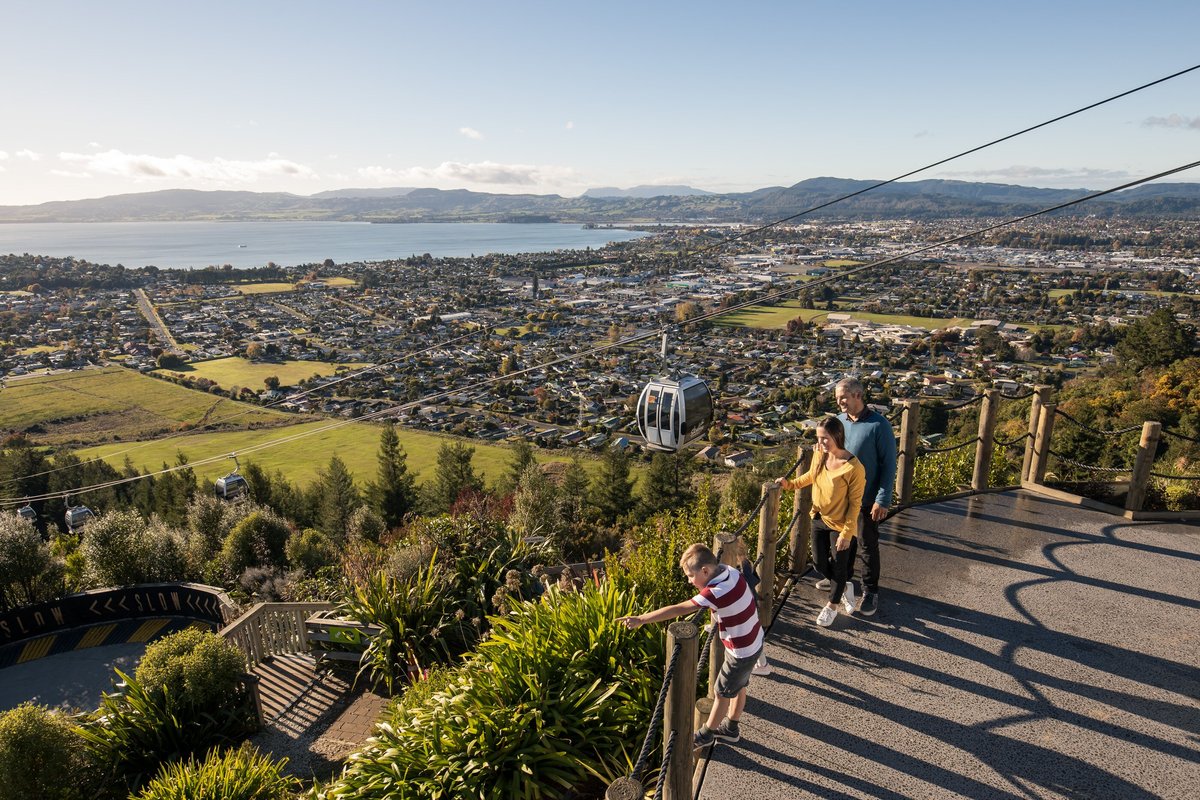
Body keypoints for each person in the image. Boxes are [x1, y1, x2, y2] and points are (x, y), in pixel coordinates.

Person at [618, 543, 763, 747]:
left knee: (721, 692)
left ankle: (706, 734)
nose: (689, 581)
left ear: (705, 570)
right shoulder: (729, 571)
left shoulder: (714, 592)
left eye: (690, 576)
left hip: (740, 650)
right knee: (739, 687)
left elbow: (678, 609)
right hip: (754, 639)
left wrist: (641, 619)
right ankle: (731, 728)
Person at [775, 416, 866, 627]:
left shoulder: (854, 468)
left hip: (841, 525)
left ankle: (832, 606)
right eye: (819, 438)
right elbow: (811, 476)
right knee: (818, 563)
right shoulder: (820, 455)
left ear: (837, 436)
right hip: (819, 518)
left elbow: (855, 505)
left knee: (840, 566)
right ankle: (843, 586)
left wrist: (846, 534)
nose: (821, 443)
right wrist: (789, 485)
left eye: (825, 438)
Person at [832, 377, 897, 617]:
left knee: (867, 545)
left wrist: (883, 498)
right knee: (843, 542)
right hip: (842, 497)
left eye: (843, 398)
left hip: (867, 498)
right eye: (838, 398)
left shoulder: (879, 426)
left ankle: (870, 590)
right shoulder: (838, 422)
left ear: (858, 396)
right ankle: (843, 581)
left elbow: (889, 465)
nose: (840, 403)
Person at [736, 538, 772, 676]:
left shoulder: (736, 571)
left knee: (753, 639)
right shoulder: (746, 563)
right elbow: (755, 580)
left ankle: (763, 665)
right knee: (754, 637)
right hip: (751, 606)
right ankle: (762, 664)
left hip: (745, 609)